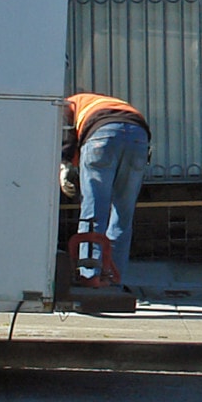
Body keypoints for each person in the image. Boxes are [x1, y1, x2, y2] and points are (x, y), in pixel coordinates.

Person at [61, 90, 149, 287]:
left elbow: (67, 136)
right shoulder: (104, 103)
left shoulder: (68, 104)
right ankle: (113, 279)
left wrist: (64, 163)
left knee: (94, 213)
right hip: (138, 137)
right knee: (122, 216)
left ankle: (90, 275)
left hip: (101, 136)